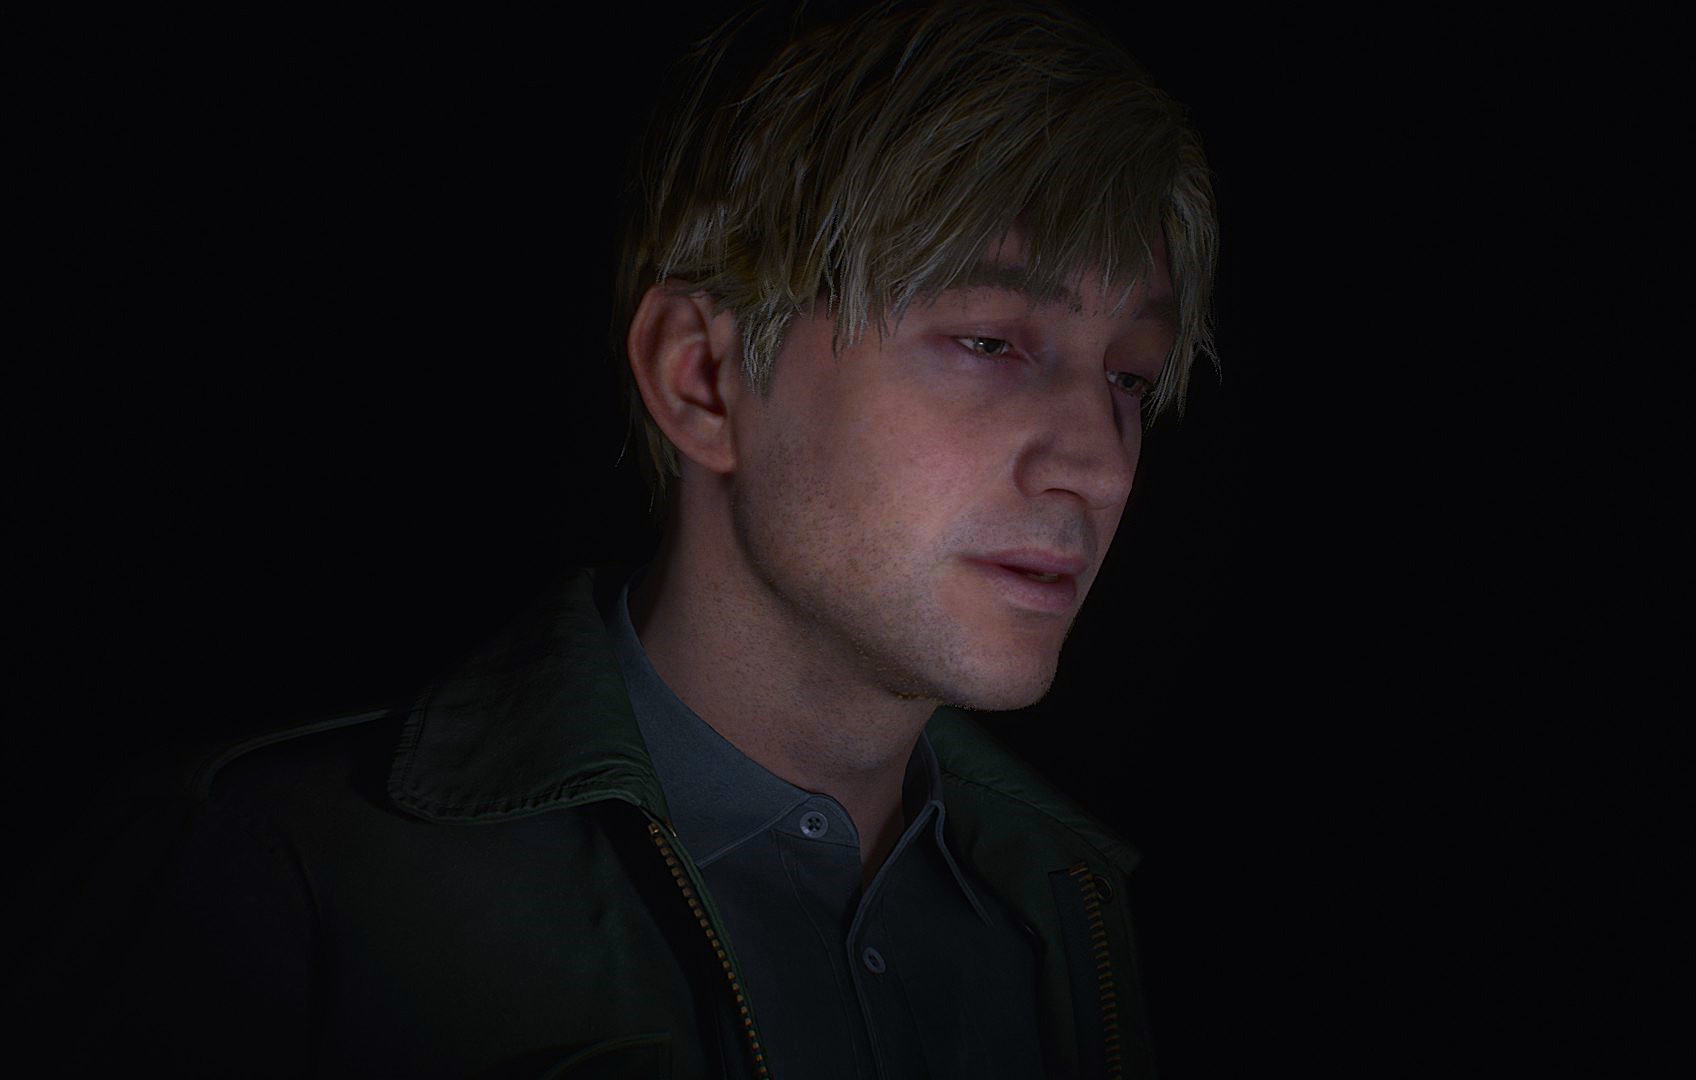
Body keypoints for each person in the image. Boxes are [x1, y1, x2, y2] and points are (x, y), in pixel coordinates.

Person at [23, 1, 1218, 1075]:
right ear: (701, 379)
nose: (1101, 465)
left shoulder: (1069, 903)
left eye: (1130, 376)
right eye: (991, 343)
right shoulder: (279, 872)